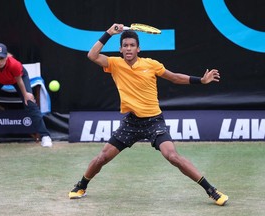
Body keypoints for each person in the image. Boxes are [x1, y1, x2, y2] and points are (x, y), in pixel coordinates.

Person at [68, 24, 228, 205]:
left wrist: (201, 80)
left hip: (154, 121)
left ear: (138, 48)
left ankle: (211, 190)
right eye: (125, 45)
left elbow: (174, 77)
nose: (128, 48)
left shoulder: (151, 64)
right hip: (131, 123)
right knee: (102, 157)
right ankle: (81, 185)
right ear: (121, 49)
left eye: (132, 45)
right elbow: (92, 55)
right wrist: (109, 33)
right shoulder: (114, 64)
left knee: (173, 156)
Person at [0, 43, 52, 147]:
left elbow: (19, 81)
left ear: (6, 57)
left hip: (17, 80)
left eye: (2, 58)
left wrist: (26, 94)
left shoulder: (14, 64)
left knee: (29, 102)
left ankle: (45, 136)